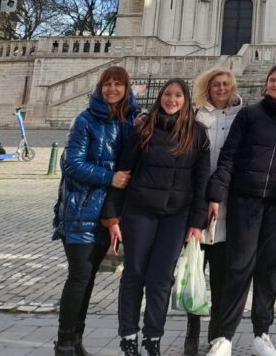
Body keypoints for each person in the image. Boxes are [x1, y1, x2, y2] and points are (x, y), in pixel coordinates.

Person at [206, 64, 276, 356]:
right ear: (265, 86)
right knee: (238, 267)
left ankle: (262, 334)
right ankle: (224, 336)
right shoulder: (249, 115)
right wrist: (216, 194)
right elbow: (229, 156)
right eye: (272, 80)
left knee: (269, 270)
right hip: (246, 201)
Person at [103, 78, 210, 356]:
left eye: (177, 95)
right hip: (140, 210)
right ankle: (128, 336)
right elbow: (123, 174)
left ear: (186, 101)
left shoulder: (197, 134)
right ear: (160, 97)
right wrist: (113, 217)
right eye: (167, 94)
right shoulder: (143, 128)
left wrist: (197, 223)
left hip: (176, 215)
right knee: (134, 273)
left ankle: (153, 338)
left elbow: (201, 183)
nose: (171, 100)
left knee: (162, 278)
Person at [52, 66, 137, 356]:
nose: (112, 89)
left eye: (118, 85)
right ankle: (64, 344)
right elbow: (71, 164)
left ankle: (76, 341)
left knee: (87, 280)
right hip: (81, 211)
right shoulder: (85, 120)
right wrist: (109, 177)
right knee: (79, 277)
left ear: (127, 89)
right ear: (99, 88)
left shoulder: (130, 121)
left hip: (107, 215)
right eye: (107, 84)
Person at [184, 68, 244, 356]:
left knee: (222, 273)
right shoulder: (194, 115)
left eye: (225, 85)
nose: (221, 89)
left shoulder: (243, 116)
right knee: (194, 269)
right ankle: (192, 331)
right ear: (206, 88)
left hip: (228, 203)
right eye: (215, 85)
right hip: (196, 200)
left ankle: (218, 333)